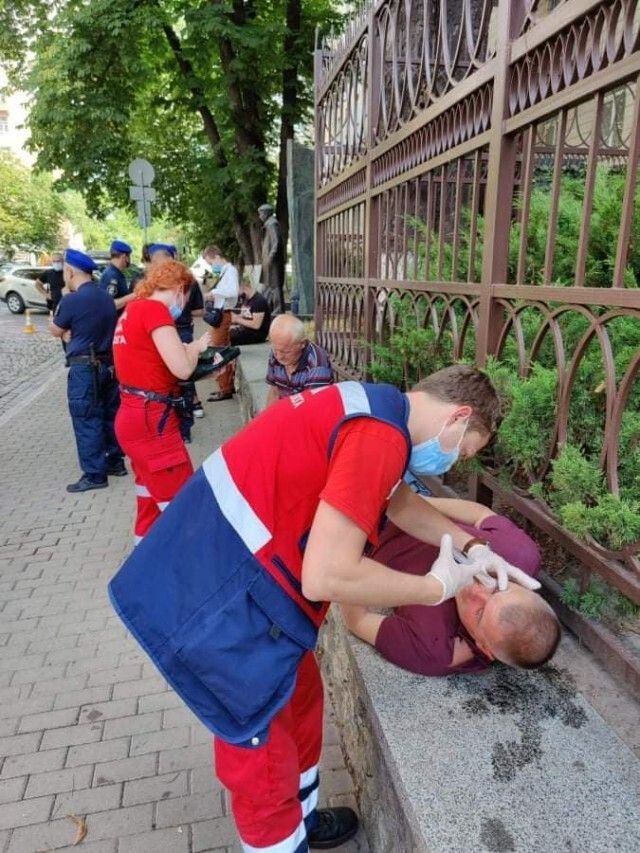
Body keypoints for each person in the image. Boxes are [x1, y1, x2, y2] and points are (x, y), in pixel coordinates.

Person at [109, 365, 540, 852]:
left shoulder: (377, 408)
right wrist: (434, 587)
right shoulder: (379, 437)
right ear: (459, 416)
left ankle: (305, 814)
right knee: (260, 754)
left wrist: (472, 546)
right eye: (462, 450)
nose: (453, 462)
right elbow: (327, 575)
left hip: (240, 577)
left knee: (303, 697)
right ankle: (282, 840)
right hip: (220, 601)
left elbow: (396, 502)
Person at [341, 498, 561, 676]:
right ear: (524, 586)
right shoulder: (521, 556)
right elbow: (480, 514)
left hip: (360, 534)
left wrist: (351, 544)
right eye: (498, 588)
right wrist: (409, 504)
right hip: (404, 503)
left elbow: (356, 620)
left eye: (480, 613)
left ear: (483, 646)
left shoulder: (433, 648)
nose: (477, 590)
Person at [112, 259, 215, 545]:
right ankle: (189, 574)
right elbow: (182, 369)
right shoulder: (156, 312)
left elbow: (147, 361)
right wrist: (195, 348)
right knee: (183, 507)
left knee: (148, 501)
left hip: (132, 415)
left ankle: (142, 560)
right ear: (181, 289)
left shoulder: (133, 310)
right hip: (152, 422)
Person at [50, 249, 126, 492]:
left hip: (84, 367)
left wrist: (63, 322)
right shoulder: (105, 297)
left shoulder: (71, 300)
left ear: (70, 271)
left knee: (86, 418)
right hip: (108, 364)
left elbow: (55, 328)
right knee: (109, 414)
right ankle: (115, 462)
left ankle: (94, 474)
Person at [265, 314, 333, 405]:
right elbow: (274, 391)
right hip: (284, 410)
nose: (279, 356)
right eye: (275, 349)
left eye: (286, 352)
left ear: (302, 344)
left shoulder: (317, 366)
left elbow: (313, 409)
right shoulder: (278, 351)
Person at [201, 244, 239, 403]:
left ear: (216, 256)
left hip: (223, 314)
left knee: (218, 351)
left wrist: (214, 293)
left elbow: (232, 292)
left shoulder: (230, 271)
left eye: (210, 262)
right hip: (220, 314)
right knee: (220, 349)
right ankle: (225, 386)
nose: (211, 266)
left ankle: (225, 389)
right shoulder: (224, 271)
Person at [258, 203, 286, 315]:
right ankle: (267, 307)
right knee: (268, 286)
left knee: (275, 286)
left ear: (266, 213)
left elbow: (276, 242)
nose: (259, 216)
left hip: (273, 262)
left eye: (260, 213)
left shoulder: (272, 224)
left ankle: (278, 310)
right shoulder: (269, 224)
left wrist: (270, 257)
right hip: (269, 262)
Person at [230, 275, 271, 345]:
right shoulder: (244, 298)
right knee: (221, 332)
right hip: (245, 330)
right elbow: (243, 316)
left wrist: (236, 319)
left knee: (225, 337)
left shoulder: (259, 301)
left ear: (242, 287)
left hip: (256, 334)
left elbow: (256, 325)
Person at [99, 240, 135, 312]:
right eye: (129, 257)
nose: (129, 260)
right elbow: (109, 304)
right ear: (124, 257)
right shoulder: (112, 275)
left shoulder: (115, 273)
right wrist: (133, 296)